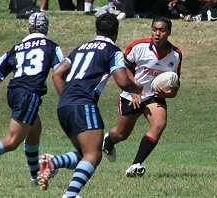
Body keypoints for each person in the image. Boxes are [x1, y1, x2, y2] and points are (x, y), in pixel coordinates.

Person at [37, 12, 143, 198]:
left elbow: (57, 73)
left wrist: (68, 97)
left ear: (97, 29)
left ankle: (54, 162)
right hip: (83, 103)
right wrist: (137, 87)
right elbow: (122, 81)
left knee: (85, 153)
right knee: (94, 155)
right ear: (116, 32)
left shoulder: (80, 48)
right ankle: (70, 194)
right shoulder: (112, 51)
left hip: (65, 105)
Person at [0, 12, 64, 185]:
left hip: (14, 92)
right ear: (46, 28)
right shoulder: (51, 46)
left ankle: (34, 176)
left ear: (29, 28)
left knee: (35, 127)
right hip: (29, 94)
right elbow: (61, 70)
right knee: (11, 141)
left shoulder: (17, 47)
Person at [102, 16, 182, 177]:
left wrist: (171, 93)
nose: (157, 33)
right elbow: (122, 70)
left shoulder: (176, 55)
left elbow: (175, 83)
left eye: (162, 30)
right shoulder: (138, 47)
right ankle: (108, 141)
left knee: (159, 124)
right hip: (131, 95)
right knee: (121, 134)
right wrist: (134, 91)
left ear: (169, 32)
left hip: (154, 96)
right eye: (154, 29)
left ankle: (135, 165)